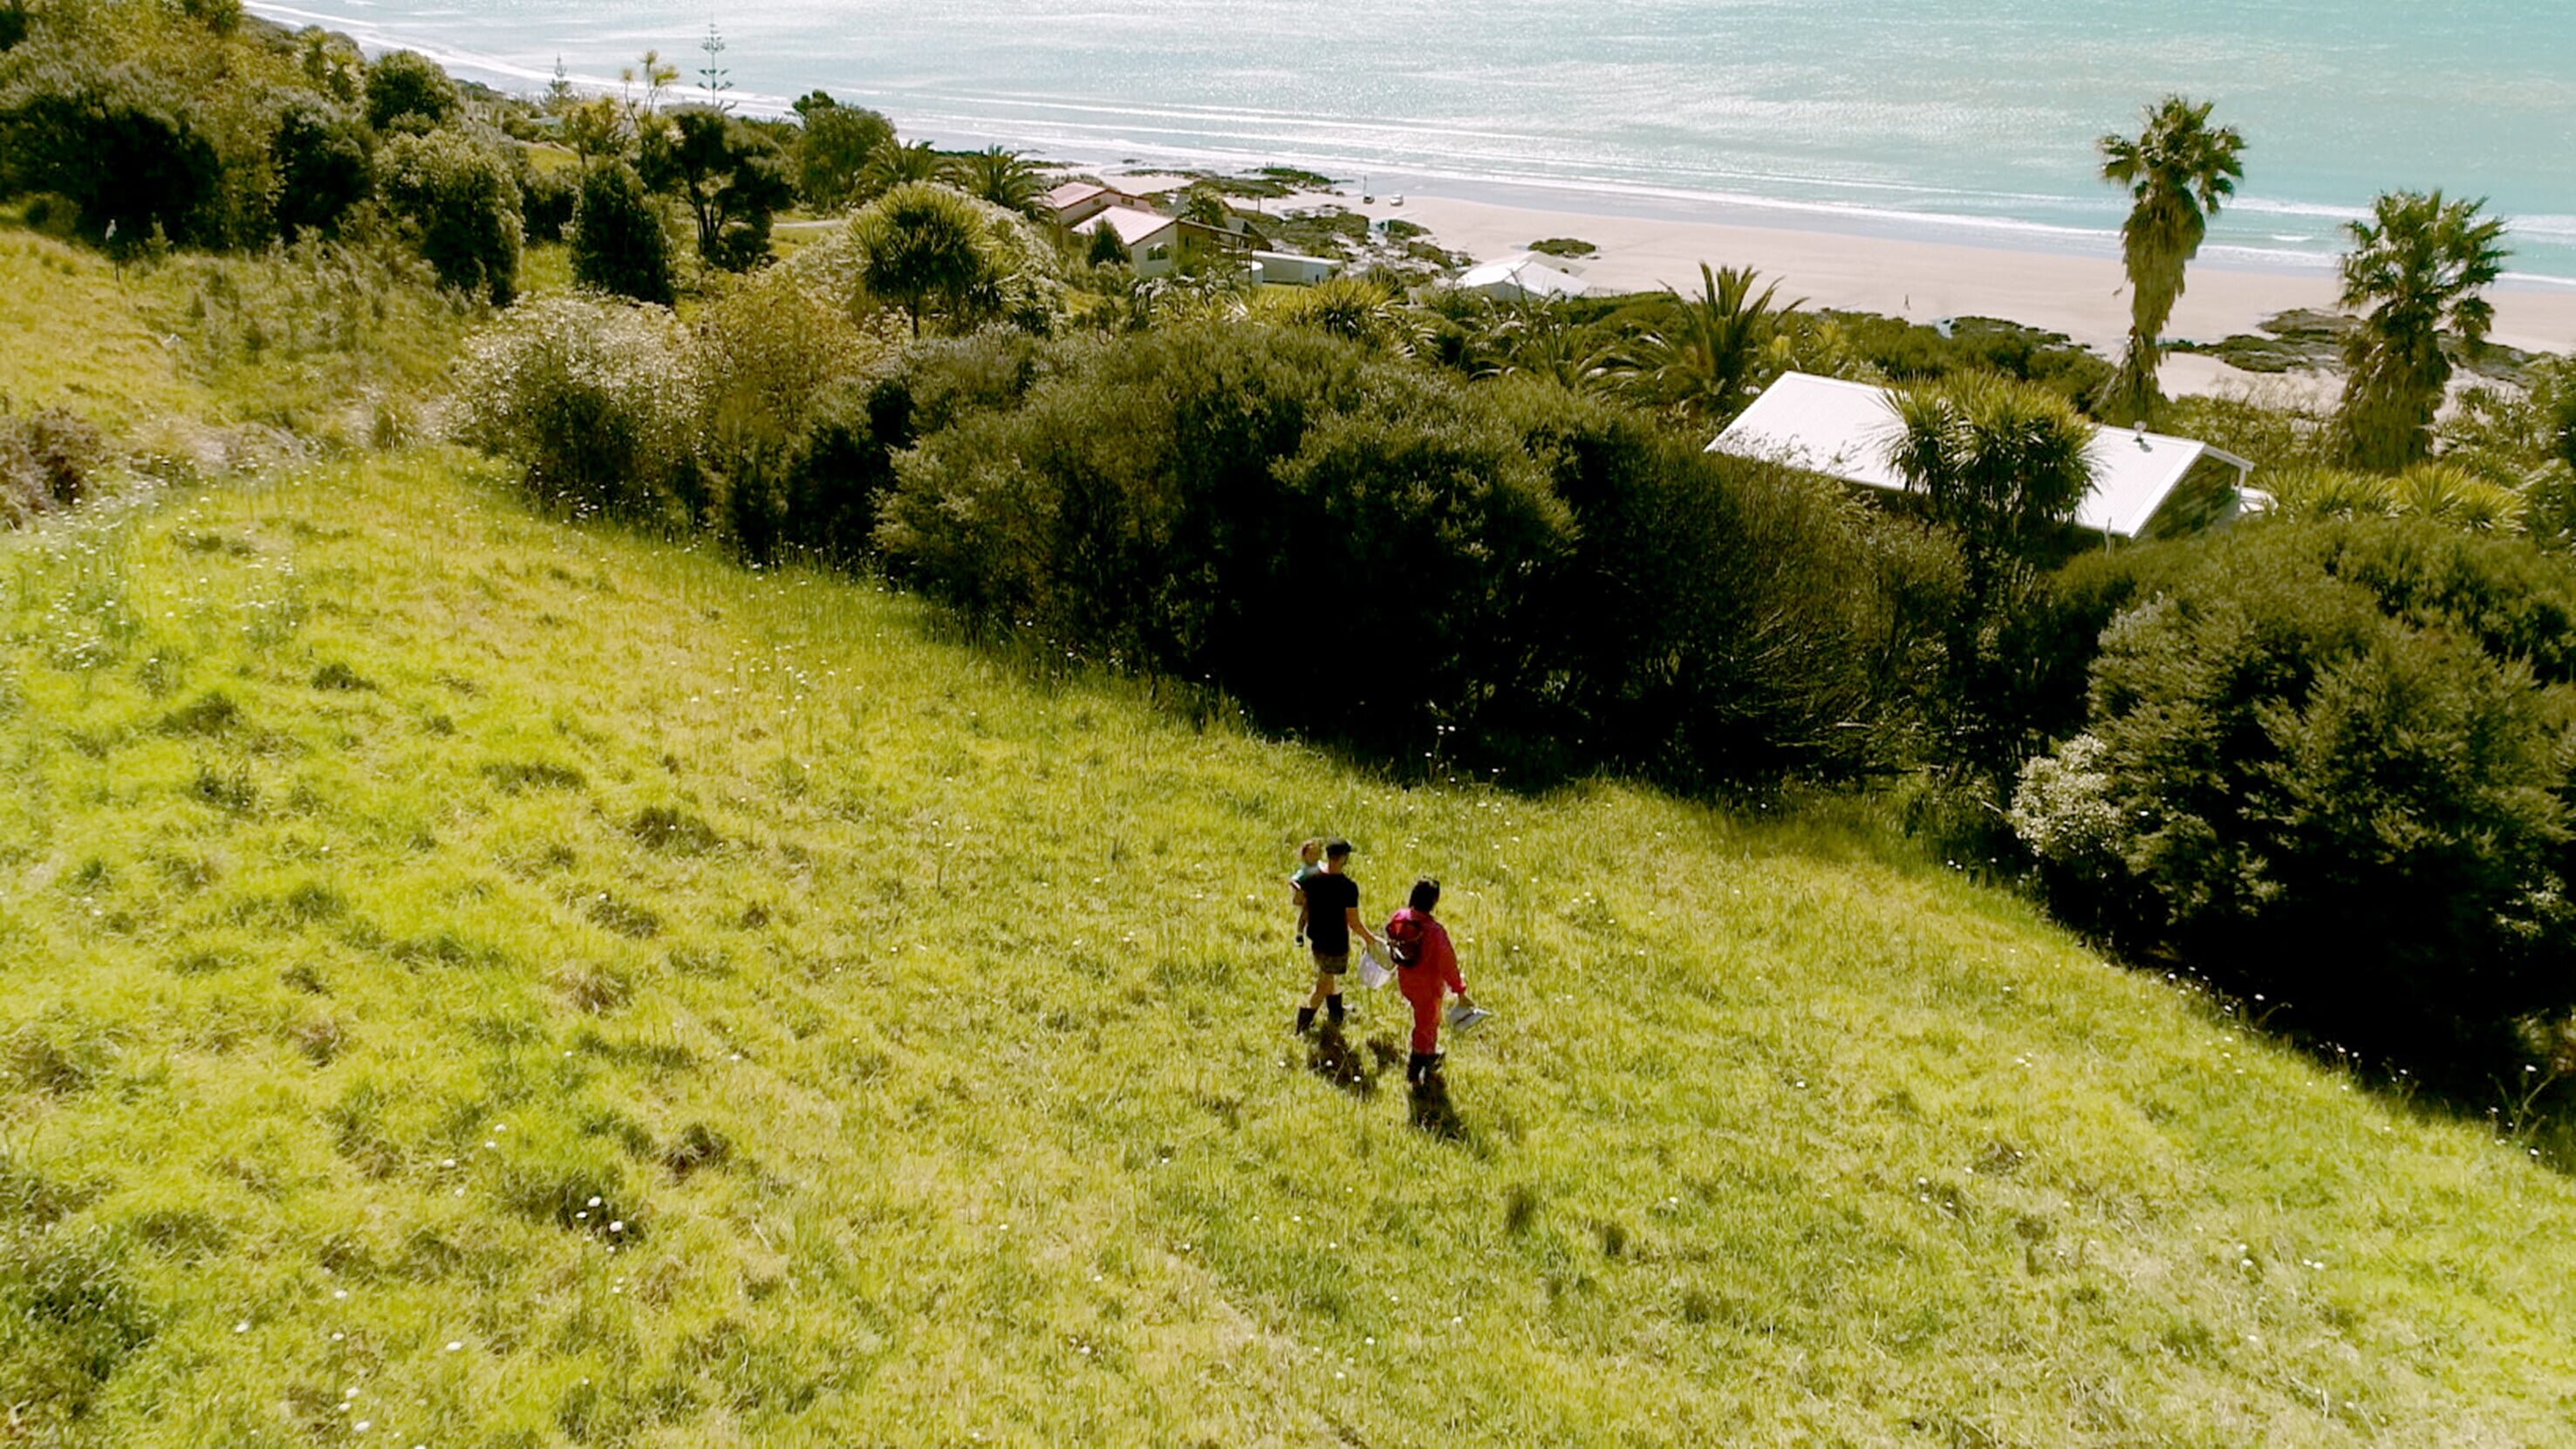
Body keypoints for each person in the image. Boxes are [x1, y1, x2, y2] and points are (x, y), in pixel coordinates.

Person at [1384, 878, 1484, 1086]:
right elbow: (1449, 965)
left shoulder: (1399, 917)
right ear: (1433, 902)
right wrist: (1461, 992)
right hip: (1428, 988)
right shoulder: (1435, 932)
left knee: (1422, 1020)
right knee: (1427, 1025)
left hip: (1407, 982)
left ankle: (1424, 1056)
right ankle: (1420, 1065)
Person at [1295, 838, 1378, 1035]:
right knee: (1322, 985)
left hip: (1316, 939)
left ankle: (1336, 1015)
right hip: (1335, 944)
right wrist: (1370, 939)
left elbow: (1301, 904)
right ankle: (1302, 1025)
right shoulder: (1348, 887)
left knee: (1328, 977)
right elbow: (1353, 922)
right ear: (1343, 858)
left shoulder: (1313, 879)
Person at [1288, 838, 1324, 947]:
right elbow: (1293, 881)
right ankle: (1299, 934)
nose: (1314, 856)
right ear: (1304, 856)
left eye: (1316, 853)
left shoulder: (1321, 866)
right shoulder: (1305, 871)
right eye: (1311, 854)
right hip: (1308, 897)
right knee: (1305, 913)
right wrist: (1299, 889)